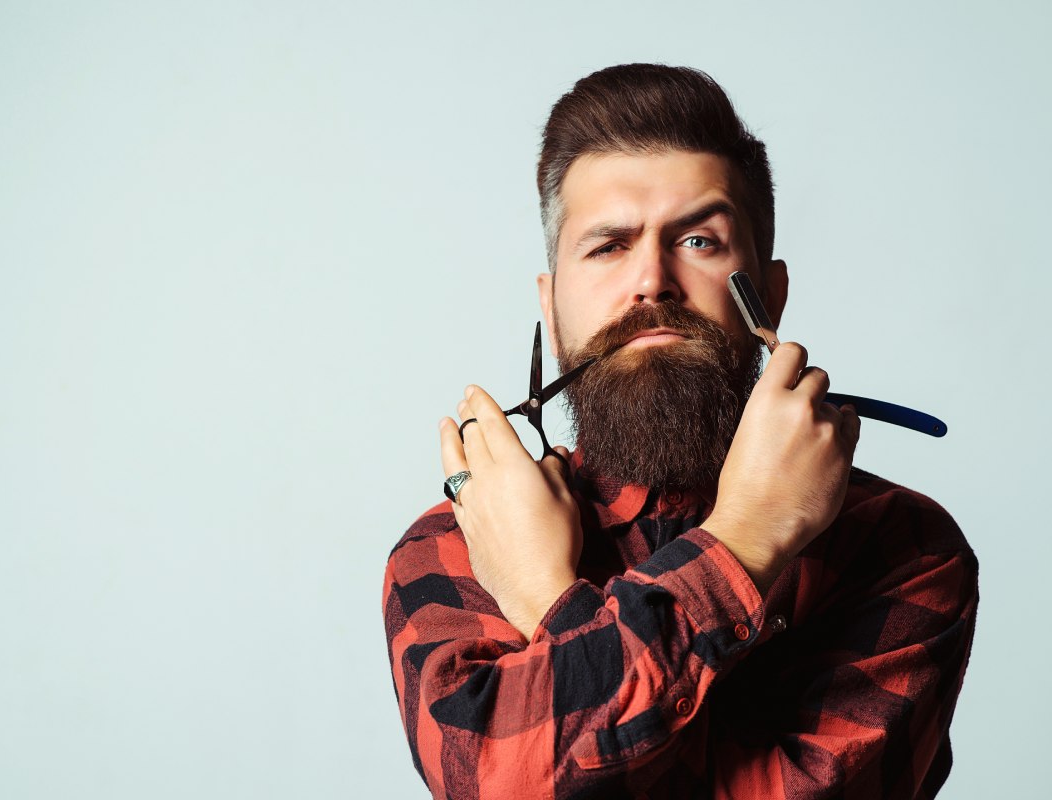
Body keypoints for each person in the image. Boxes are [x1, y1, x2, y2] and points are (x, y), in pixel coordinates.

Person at [381, 64, 978, 799]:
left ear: (772, 293)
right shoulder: (452, 547)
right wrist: (743, 548)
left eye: (698, 240)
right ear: (552, 305)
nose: (650, 282)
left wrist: (544, 600)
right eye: (606, 246)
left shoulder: (899, 546)